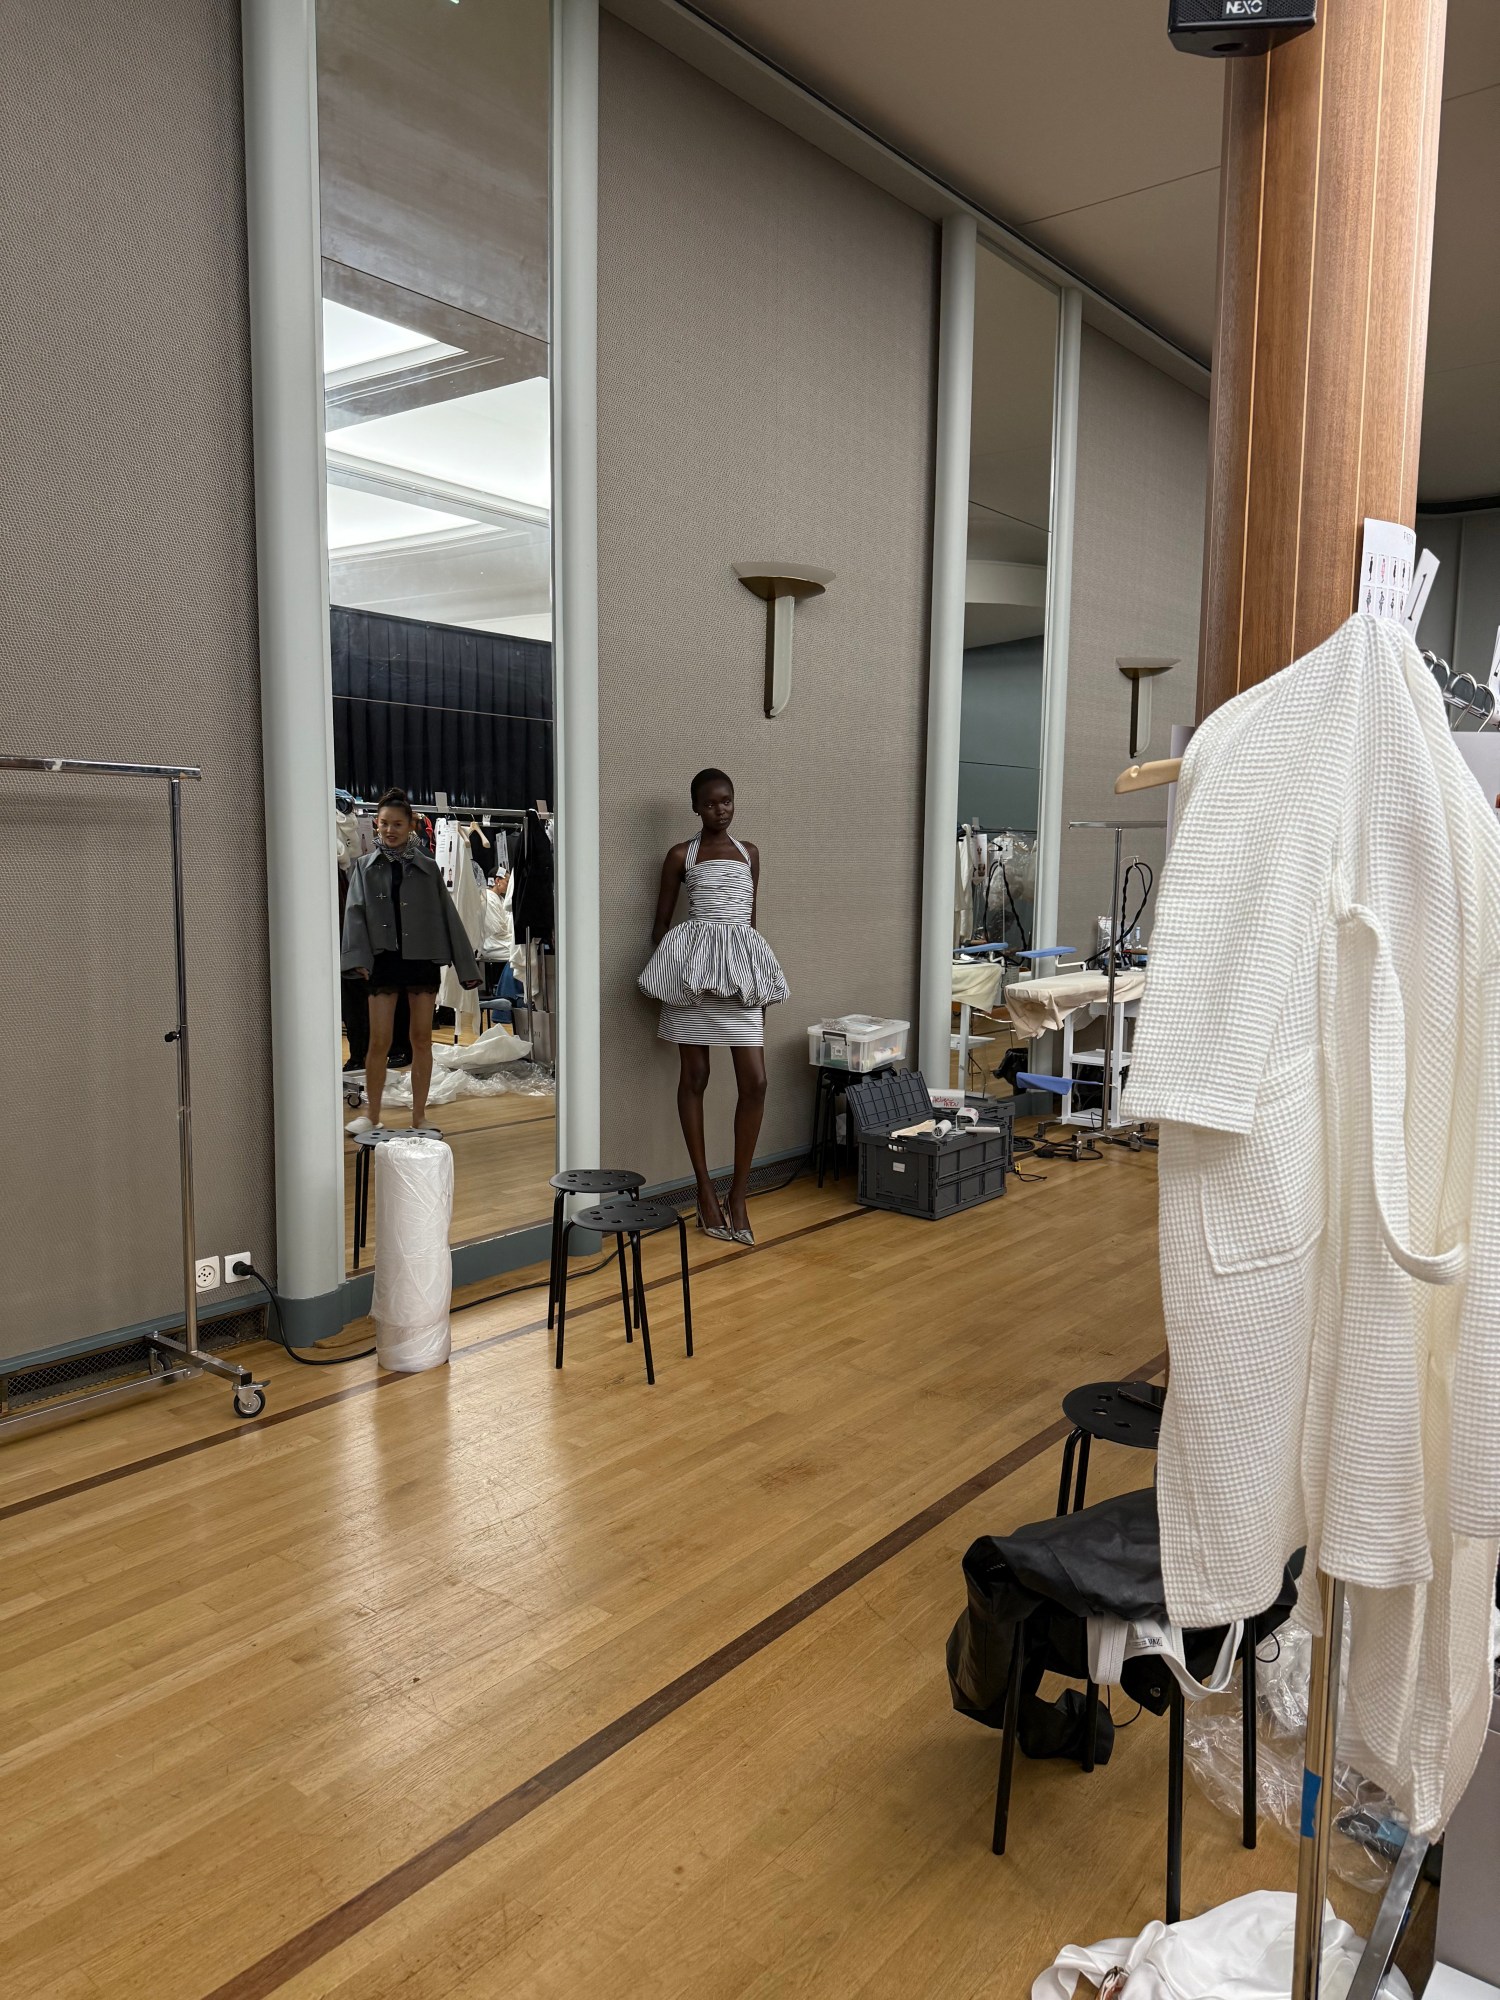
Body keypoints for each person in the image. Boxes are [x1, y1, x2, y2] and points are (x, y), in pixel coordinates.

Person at [639, 769, 789, 1244]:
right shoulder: (680, 855)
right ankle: (705, 1191)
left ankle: (738, 1195)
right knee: (695, 1077)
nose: (720, 810)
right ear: (696, 808)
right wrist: (677, 971)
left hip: (739, 979)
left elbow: (749, 925)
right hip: (695, 979)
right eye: (709, 803)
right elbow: (660, 926)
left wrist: (757, 984)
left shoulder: (750, 854)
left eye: (727, 801)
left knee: (756, 1082)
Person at [341, 786, 480, 1135]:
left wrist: (466, 966)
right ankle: (372, 1114)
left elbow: (448, 915)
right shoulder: (363, 867)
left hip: (421, 960)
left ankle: (419, 1116)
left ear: (411, 826)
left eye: (397, 824)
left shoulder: (429, 868)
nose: (389, 830)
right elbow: (354, 914)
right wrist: (356, 959)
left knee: (421, 1040)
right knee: (379, 1041)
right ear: (376, 824)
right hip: (383, 961)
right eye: (384, 823)